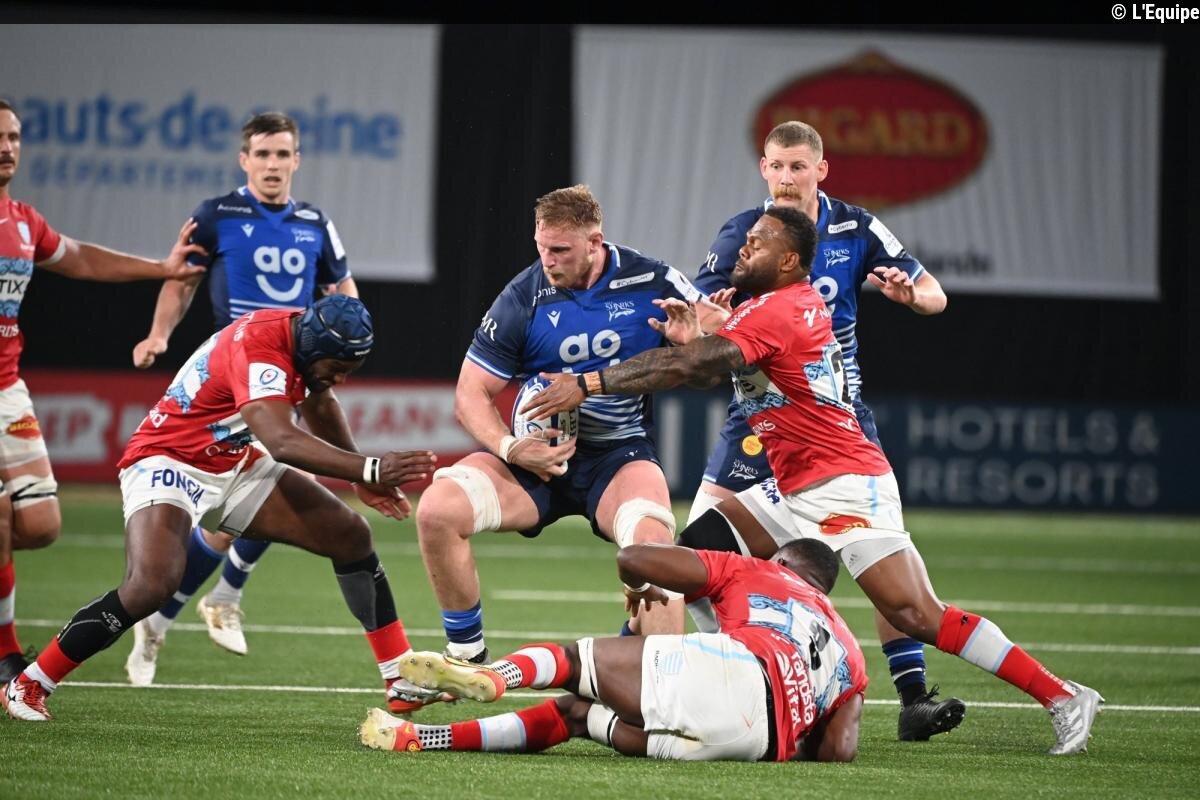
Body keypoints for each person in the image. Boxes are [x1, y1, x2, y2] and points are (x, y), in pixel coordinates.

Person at [519, 206, 1104, 756]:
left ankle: (1063, 695)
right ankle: (747, 675)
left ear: (790, 261)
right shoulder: (764, 307)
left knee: (915, 614)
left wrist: (589, 383)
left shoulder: (777, 311)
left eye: (759, 242)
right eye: (746, 239)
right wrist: (693, 341)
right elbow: (702, 369)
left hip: (846, 483)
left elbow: (695, 366)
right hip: (794, 484)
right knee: (691, 559)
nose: (744, 246)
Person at [1, 295, 443, 722]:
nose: (342, 379)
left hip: (230, 460)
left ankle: (397, 677)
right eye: (338, 369)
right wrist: (371, 467)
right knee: (150, 586)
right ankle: (30, 683)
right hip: (169, 459)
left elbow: (320, 401)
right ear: (314, 349)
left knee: (349, 534)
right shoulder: (261, 346)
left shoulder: (305, 339)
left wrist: (359, 478)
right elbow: (281, 440)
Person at [689, 120, 957, 741]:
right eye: (777, 166)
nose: (786, 178)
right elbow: (703, 314)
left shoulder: (855, 228)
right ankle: (736, 674)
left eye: (798, 167)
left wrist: (912, 298)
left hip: (836, 419)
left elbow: (934, 293)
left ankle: (913, 697)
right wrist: (709, 319)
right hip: (756, 419)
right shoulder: (744, 233)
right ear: (763, 168)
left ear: (820, 170)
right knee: (691, 557)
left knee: (882, 558)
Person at [414, 185, 723, 671]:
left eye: (560, 250)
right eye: (541, 247)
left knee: (658, 557)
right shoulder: (522, 297)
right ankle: (466, 656)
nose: (548, 261)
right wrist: (512, 449)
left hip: (617, 455)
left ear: (595, 242)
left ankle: (661, 690)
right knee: (436, 510)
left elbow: (722, 354)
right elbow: (469, 395)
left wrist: (695, 342)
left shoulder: (653, 280)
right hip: (535, 459)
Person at [124, 111, 361, 685]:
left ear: (296, 160)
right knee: (267, 496)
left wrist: (353, 333)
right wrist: (159, 334)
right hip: (235, 379)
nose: (272, 165)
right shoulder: (217, 215)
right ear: (244, 160)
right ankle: (209, 601)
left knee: (280, 493)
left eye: (282, 154)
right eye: (263, 154)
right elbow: (182, 278)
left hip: (290, 370)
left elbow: (341, 288)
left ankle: (175, 617)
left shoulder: (315, 222)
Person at [0, 99, 205, 683]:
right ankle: (6, 656)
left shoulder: (22, 220)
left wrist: (163, 269)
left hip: (7, 390)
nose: (7, 148)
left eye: (14, 137)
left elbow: (82, 260)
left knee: (40, 525)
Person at [360, 538, 867, 762]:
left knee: (570, 662)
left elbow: (633, 556)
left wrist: (639, 586)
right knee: (578, 716)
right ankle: (423, 739)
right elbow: (838, 751)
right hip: (749, 746)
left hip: (740, 672)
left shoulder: (760, 570)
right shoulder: (850, 649)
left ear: (782, 563)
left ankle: (497, 676)